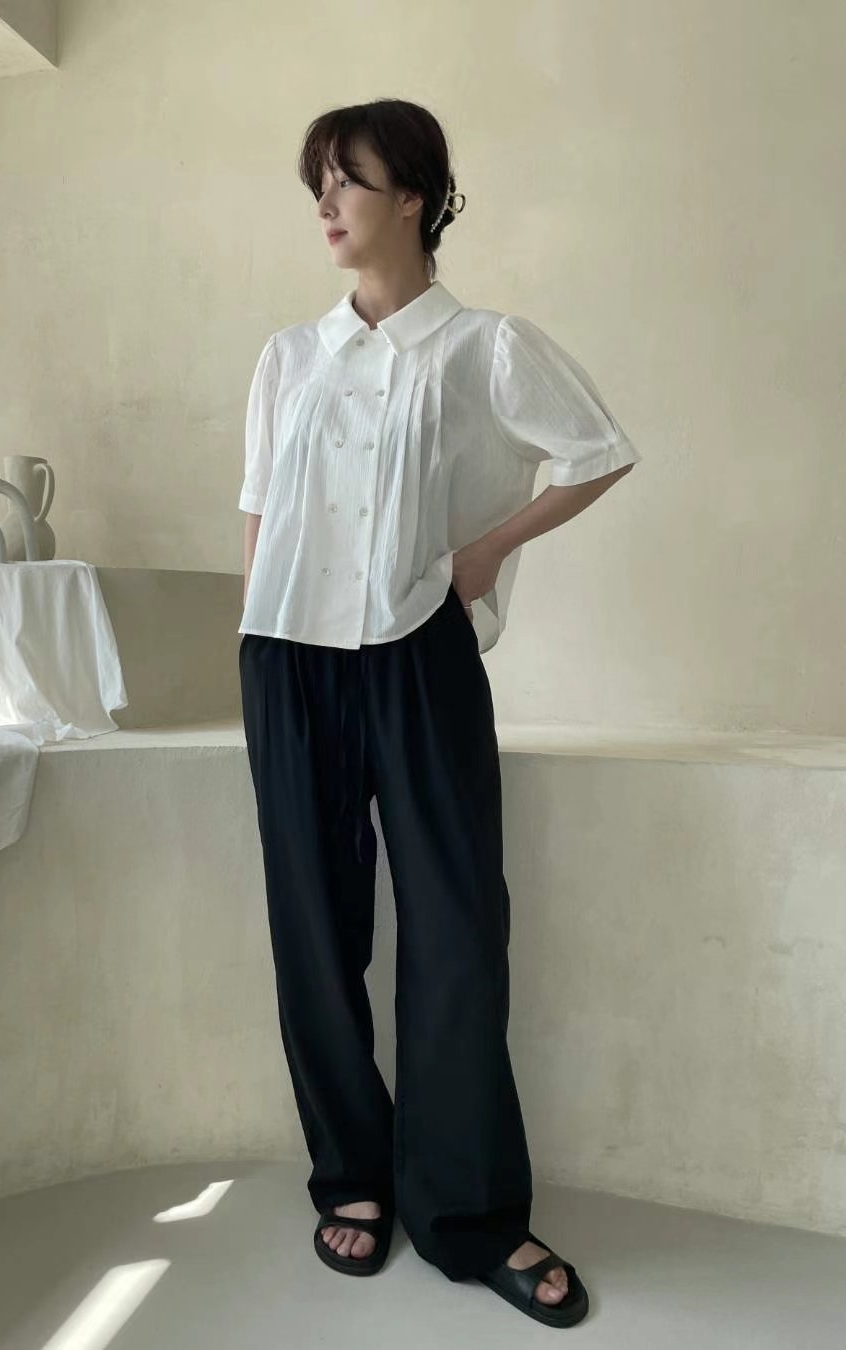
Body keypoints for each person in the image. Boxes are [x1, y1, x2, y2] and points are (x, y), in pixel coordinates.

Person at [237, 98, 640, 1330]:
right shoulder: (288, 359)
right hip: (289, 657)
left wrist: (485, 552)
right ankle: (352, 1178)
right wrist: (258, 641)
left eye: (347, 180)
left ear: (413, 194)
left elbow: (597, 450)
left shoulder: (483, 347)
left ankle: (468, 1211)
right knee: (315, 931)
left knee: (459, 929)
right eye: (316, 183)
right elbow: (260, 511)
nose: (325, 203)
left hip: (419, 652)